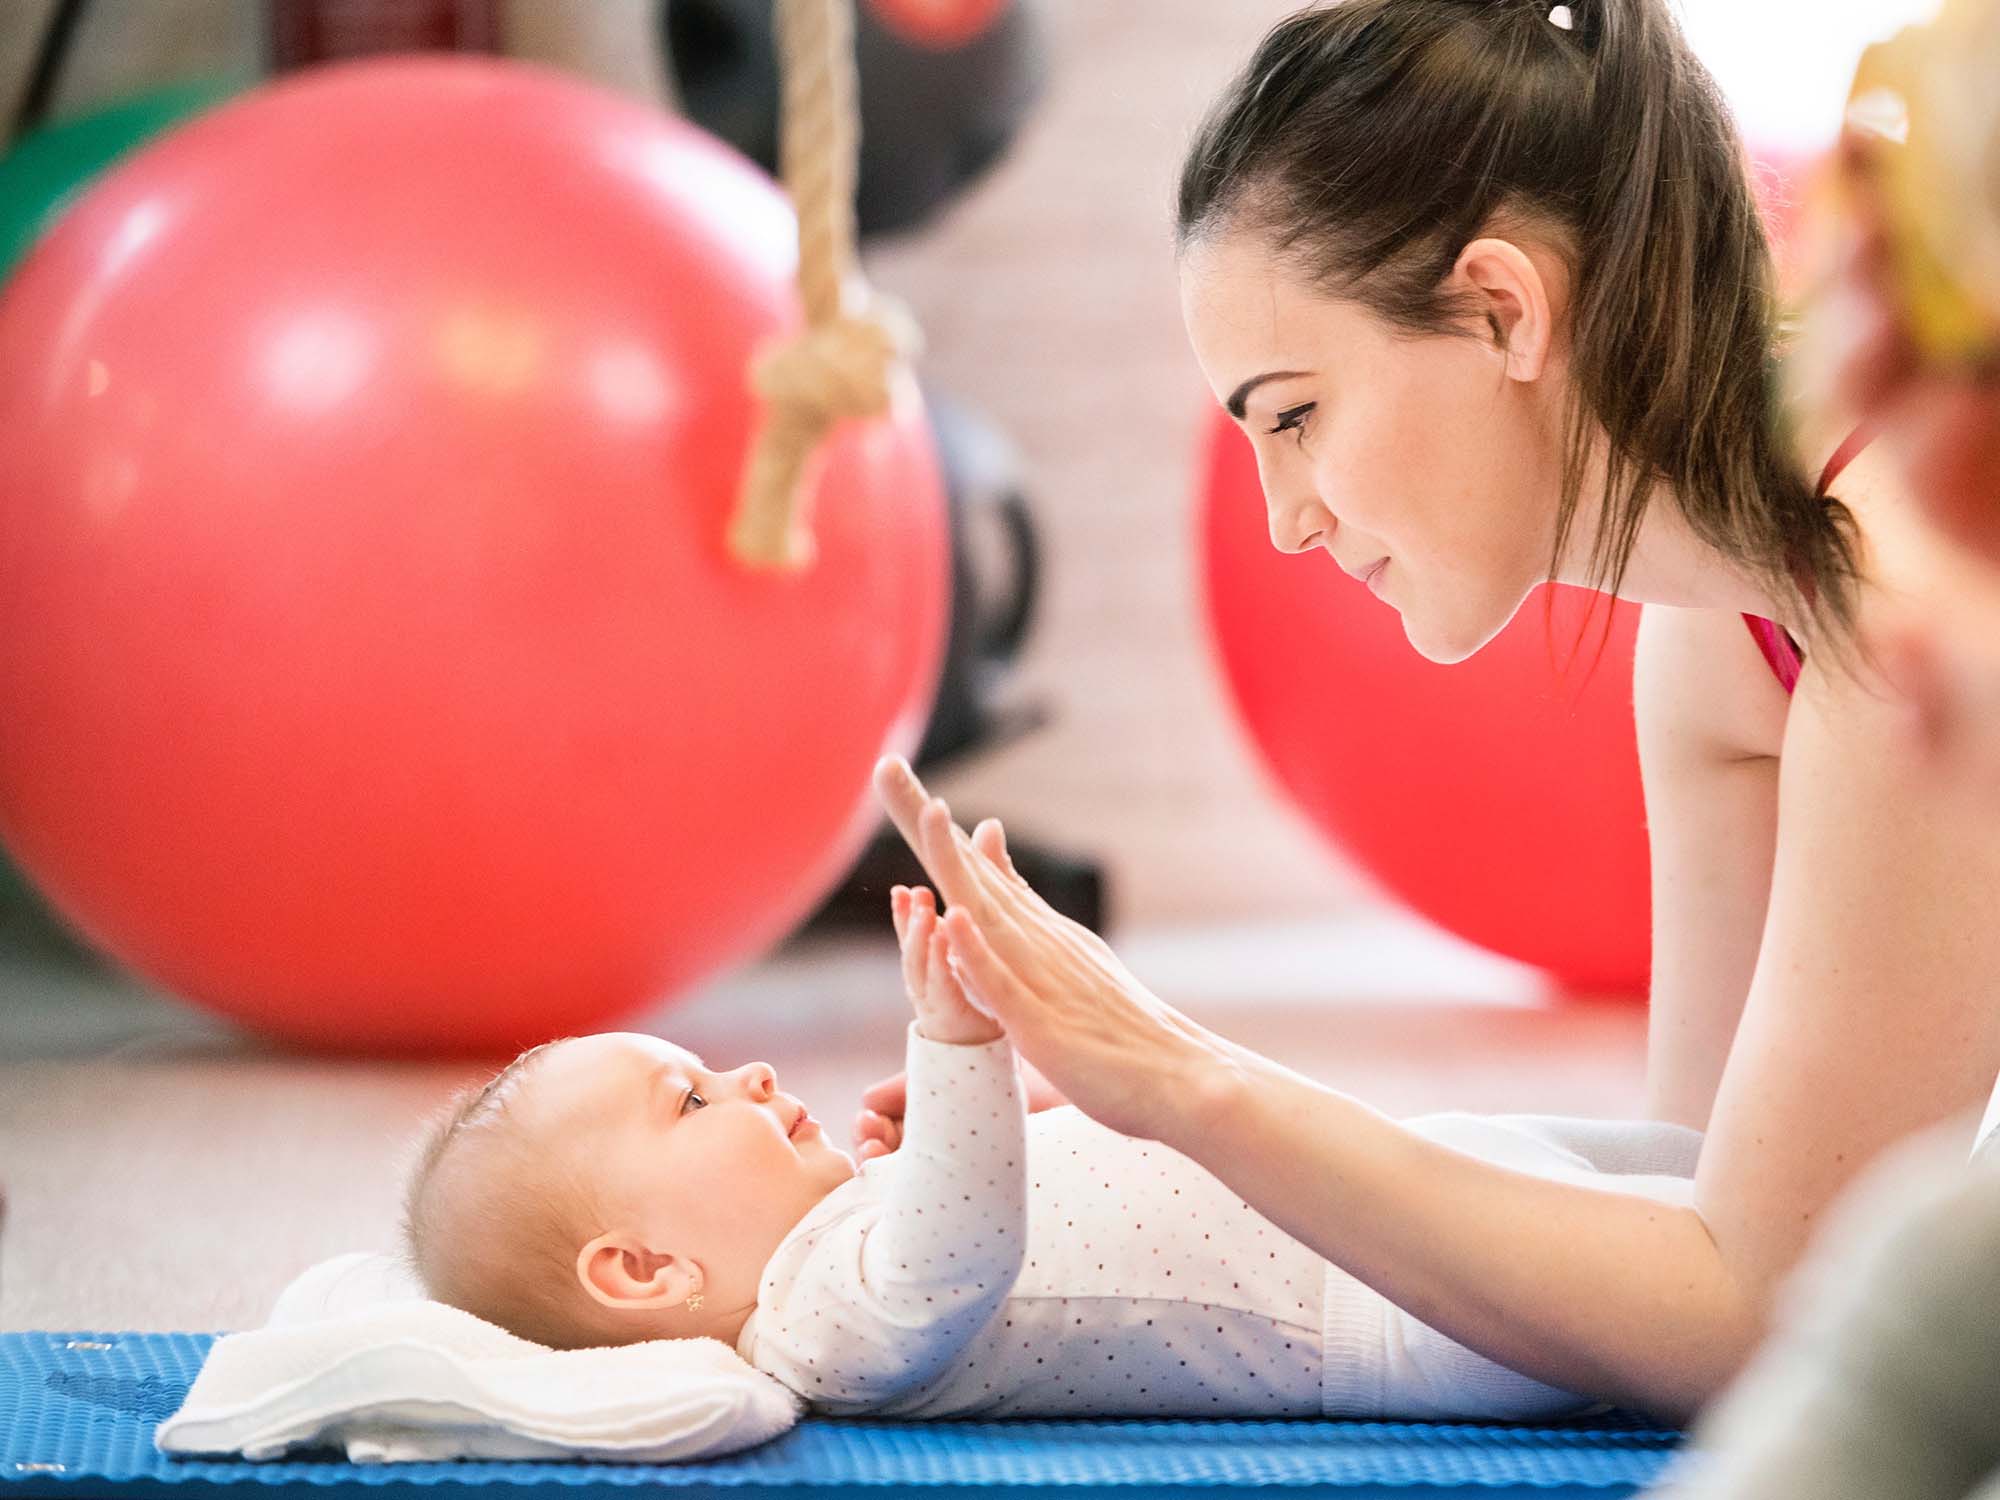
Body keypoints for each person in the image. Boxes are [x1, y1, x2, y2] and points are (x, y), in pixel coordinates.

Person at [856, 0, 2000, 1426]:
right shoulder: (1716, 646)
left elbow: (1754, 1313)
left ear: (1502, 309)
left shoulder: (1896, 589)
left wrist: (1191, 1091)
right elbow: (1685, 1200)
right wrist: (1166, 1161)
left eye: (1294, 413)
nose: (1282, 520)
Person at [402, 878, 1699, 1418]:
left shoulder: (854, 1229)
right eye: (689, 1102)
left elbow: (1047, 1211)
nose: (743, 1073)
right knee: (1766, 1259)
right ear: (645, 1275)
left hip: (1395, 1179)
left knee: (1723, 1171)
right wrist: (954, 1055)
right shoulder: (816, 1323)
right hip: (1400, 1302)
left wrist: (1014, 1127)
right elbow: (955, 1261)